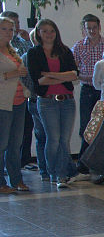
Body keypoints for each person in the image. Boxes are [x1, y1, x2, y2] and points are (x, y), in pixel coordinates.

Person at [25, 19, 79, 188]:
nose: (49, 34)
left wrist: (51, 74)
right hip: (47, 102)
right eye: (45, 31)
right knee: (53, 139)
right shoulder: (34, 53)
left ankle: (61, 175)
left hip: (67, 100)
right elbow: (39, 80)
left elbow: (74, 75)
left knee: (64, 140)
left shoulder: (64, 51)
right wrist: (63, 76)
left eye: (52, 31)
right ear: (38, 33)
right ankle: (53, 173)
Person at [72, 13, 104, 171]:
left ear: (99, 27)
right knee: (86, 126)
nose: (92, 31)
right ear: (84, 29)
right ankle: (84, 163)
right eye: (89, 28)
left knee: (102, 126)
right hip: (87, 89)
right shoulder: (79, 46)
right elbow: (73, 69)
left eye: (94, 28)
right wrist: (83, 76)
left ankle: (100, 162)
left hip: (103, 91)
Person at [0, 16, 29, 193]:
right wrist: (14, 73)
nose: (8, 33)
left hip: (19, 101)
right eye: (4, 29)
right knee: (2, 144)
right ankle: (1, 182)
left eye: (11, 30)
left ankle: (16, 179)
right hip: (3, 103)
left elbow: (20, 73)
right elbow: (8, 75)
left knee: (15, 144)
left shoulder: (12, 51)